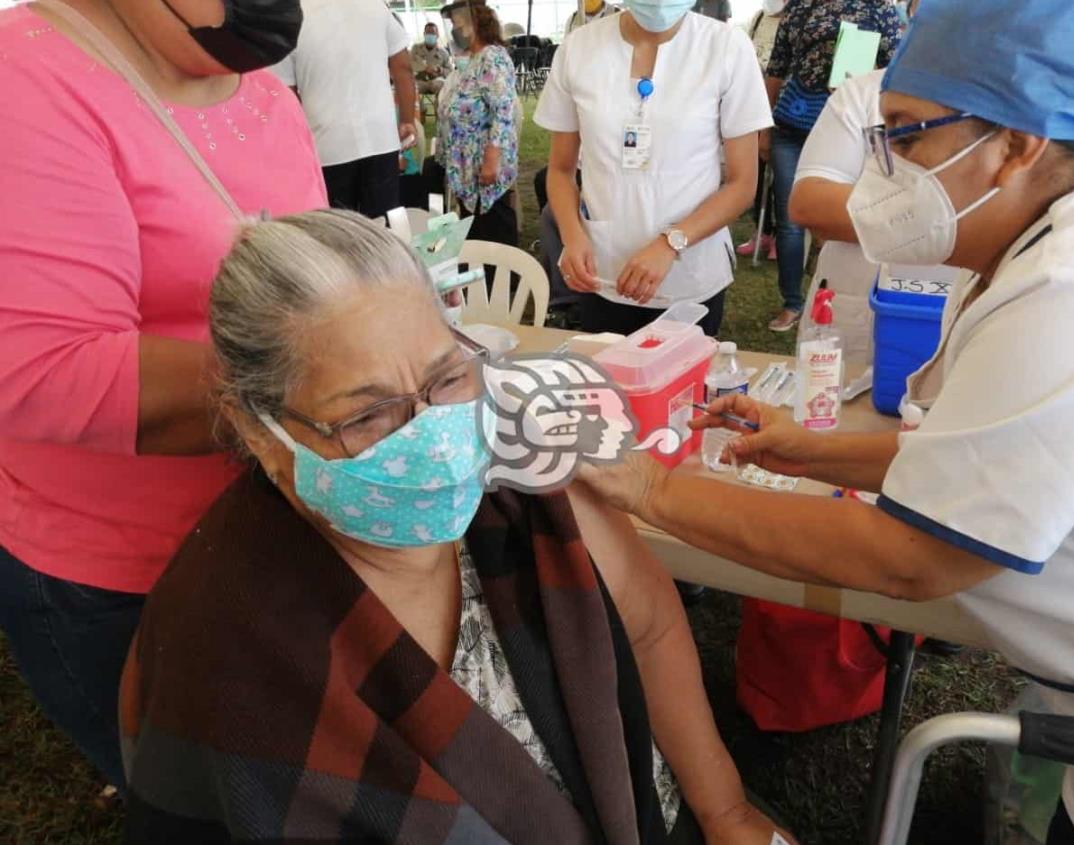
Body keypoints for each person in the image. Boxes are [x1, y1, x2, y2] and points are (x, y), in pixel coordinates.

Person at [578, 2, 1074, 843]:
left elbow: (909, 557)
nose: (880, 169)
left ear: (1017, 145)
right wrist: (815, 454)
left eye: (906, 136)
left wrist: (651, 487)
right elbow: (978, 454)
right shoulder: (1061, 247)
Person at [119, 209, 797, 845]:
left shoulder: (527, 482)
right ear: (259, 433)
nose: (432, 440)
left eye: (446, 379)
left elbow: (647, 625)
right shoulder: (222, 659)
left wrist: (726, 810)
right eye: (366, 417)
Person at [0, 0, 325, 789]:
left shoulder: (265, 95)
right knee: (206, 805)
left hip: (269, 525)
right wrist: (341, 383)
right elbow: (45, 368)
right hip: (126, 575)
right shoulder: (27, 80)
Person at [536, 0, 771, 338]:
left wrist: (670, 243)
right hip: (602, 272)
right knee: (609, 384)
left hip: (689, 277)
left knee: (682, 386)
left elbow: (742, 184)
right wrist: (572, 236)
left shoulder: (726, 47)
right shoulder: (579, 48)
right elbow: (560, 170)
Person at [763, 0, 900, 332]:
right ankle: (793, 302)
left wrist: (857, 83)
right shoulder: (799, 6)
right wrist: (763, 127)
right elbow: (777, 67)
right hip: (790, 124)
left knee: (837, 221)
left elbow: (897, 65)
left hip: (849, 131)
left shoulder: (879, 8)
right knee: (791, 219)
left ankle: (824, 293)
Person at [272, 0, 416, 219]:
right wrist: (407, 120)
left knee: (337, 236)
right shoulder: (375, 6)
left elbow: (285, 94)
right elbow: (403, 68)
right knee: (382, 233)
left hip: (326, 145)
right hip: (380, 138)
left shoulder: (289, 17)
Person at [437, 1, 520, 246]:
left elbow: (503, 111)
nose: (454, 31)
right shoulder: (471, 59)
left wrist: (492, 158)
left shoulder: (492, 57)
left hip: (485, 164)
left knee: (493, 228)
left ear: (474, 25)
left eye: (456, 24)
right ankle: (481, 278)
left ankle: (504, 279)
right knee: (475, 232)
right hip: (467, 165)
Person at [736, 0, 787, 258]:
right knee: (756, 171)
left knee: (781, 176)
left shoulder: (799, 18)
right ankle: (762, 231)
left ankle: (781, 235)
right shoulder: (758, 18)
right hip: (755, 103)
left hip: (786, 107)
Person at [412, 21, 452, 97]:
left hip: (436, 80)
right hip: (419, 80)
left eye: (433, 33)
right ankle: (419, 108)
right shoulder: (416, 48)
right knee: (411, 88)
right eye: (428, 32)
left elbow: (450, 71)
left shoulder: (444, 52)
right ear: (424, 34)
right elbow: (410, 64)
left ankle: (439, 108)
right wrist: (424, 68)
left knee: (443, 86)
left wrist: (439, 70)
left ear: (437, 35)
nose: (430, 35)